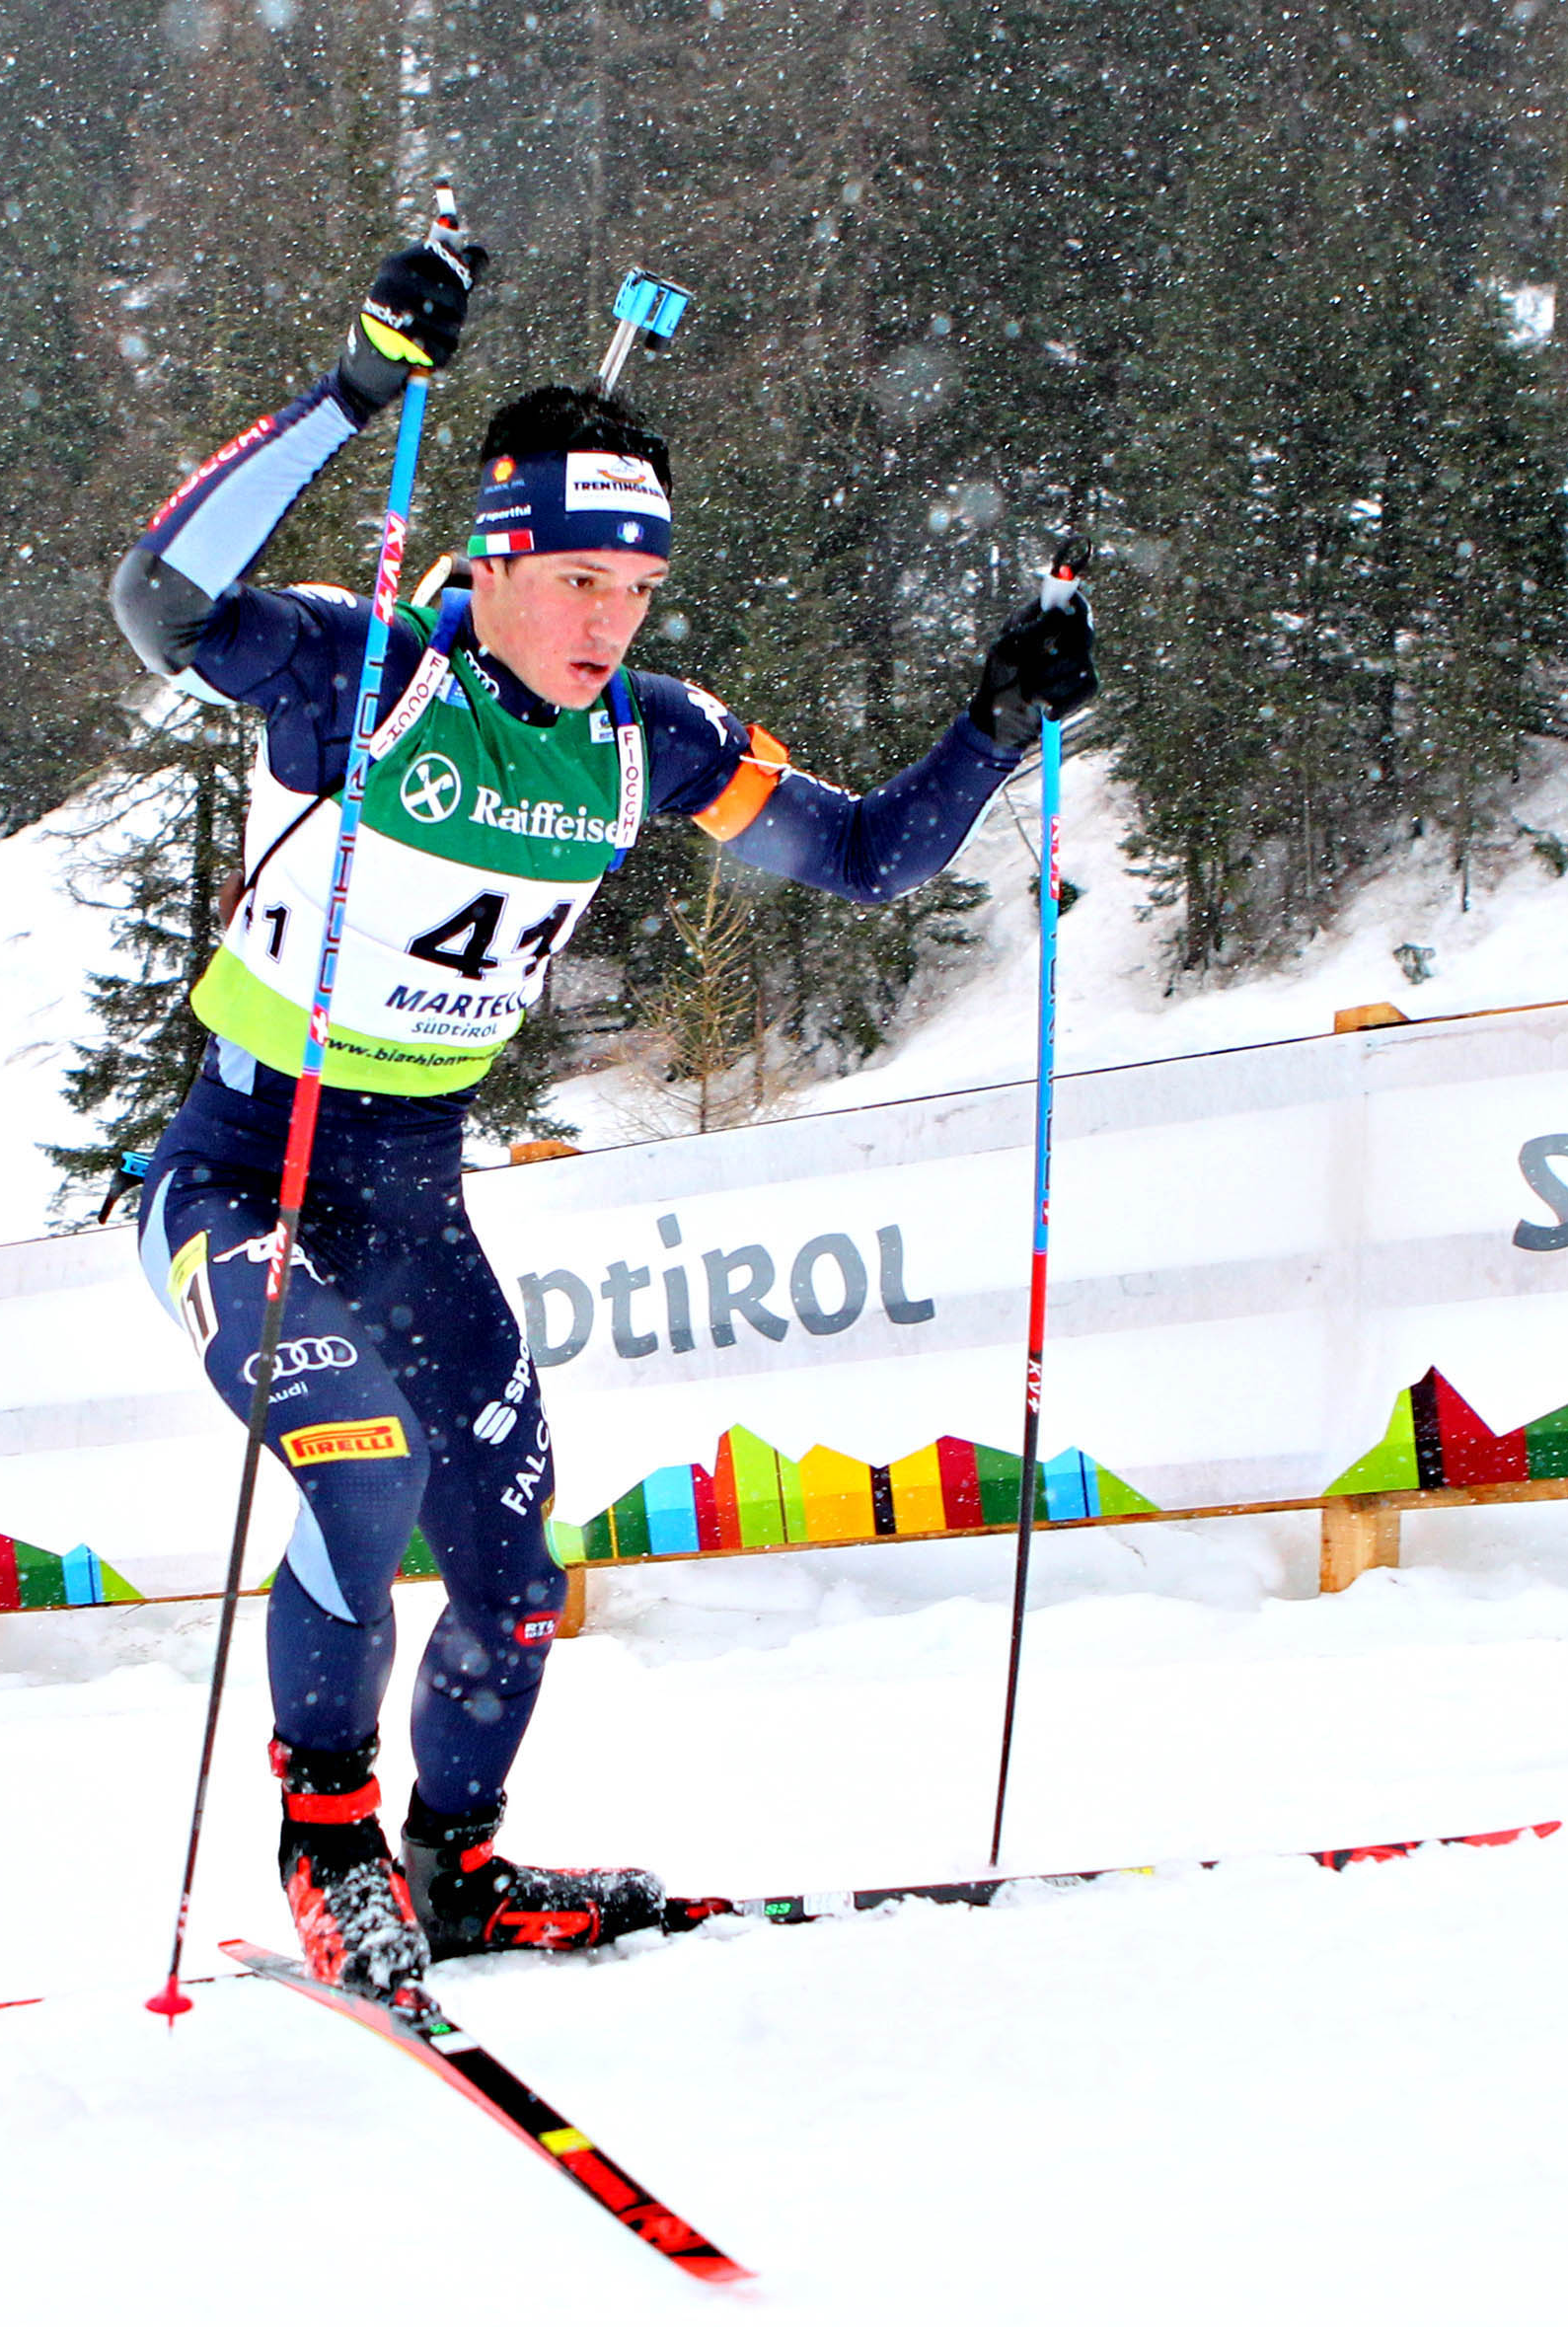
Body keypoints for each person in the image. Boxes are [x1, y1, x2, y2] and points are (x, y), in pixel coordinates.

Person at [109, 228, 1095, 1999]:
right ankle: (326, 1840)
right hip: (245, 1171)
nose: (608, 625)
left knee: (512, 1571)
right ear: (493, 561)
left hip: (409, 1191)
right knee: (359, 1472)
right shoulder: (359, 681)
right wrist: (354, 390)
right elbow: (161, 600)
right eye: (575, 583)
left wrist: (995, 723)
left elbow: (865, 854)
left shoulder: (651, 736)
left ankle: (458, 1866)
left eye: (635, 593)